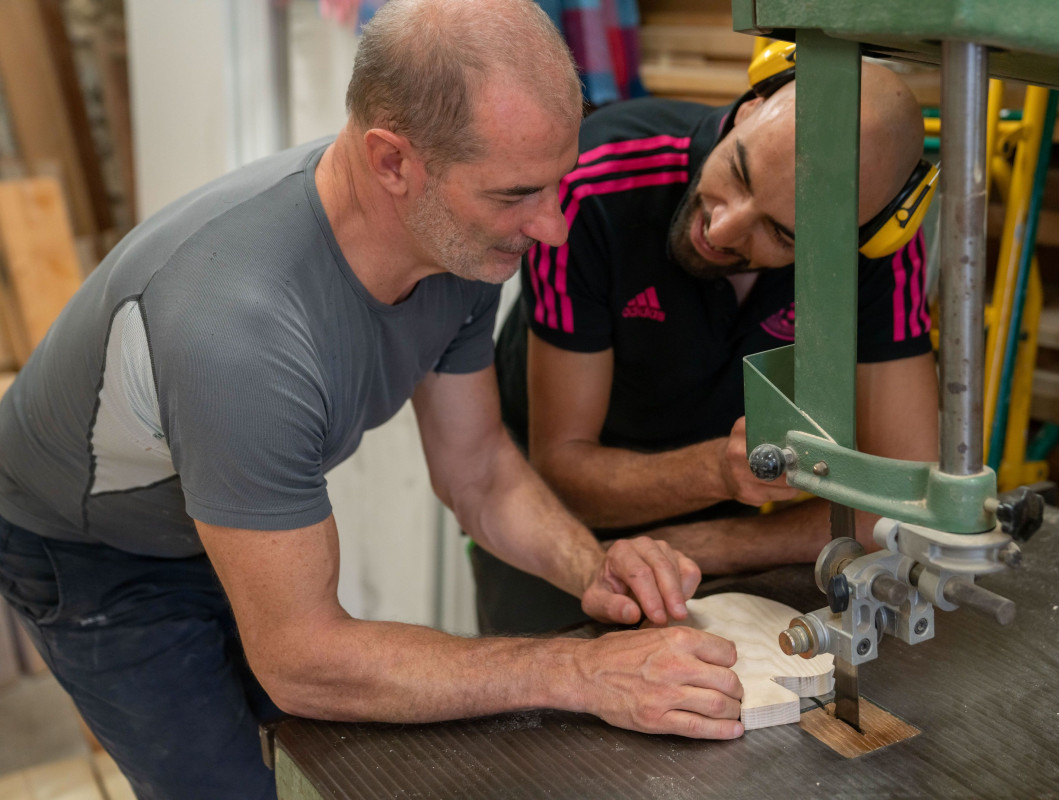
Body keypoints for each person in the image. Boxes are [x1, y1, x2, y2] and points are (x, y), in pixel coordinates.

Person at [0, 2, 749, 798]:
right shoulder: (242, 332)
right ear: (392, 161)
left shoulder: (455, 247)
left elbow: (478, 469)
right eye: (516, 194)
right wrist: (581, 670)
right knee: (236, 785)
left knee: (328, 764)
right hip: (91, 545)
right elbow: (301, 661)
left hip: (209, 503)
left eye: (556, 182)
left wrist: (591, 568)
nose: (553, 228)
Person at [475, 59, 941, 635]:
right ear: (749, 109)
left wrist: (708, 543)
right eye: (739, 173)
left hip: (722, 528)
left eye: (781, 233)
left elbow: (903, 502)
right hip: (548, 525)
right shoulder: (592, 184)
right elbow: (562, 468)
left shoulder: (874, 254)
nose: (720, 229)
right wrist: (715, 472)